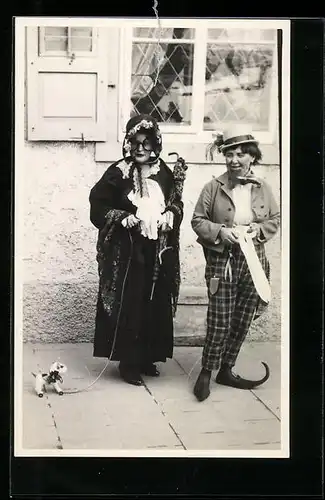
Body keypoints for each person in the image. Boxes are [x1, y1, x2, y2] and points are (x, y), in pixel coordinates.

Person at [89, 115, 184, 386]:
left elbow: (177, 203)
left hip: (157, 249)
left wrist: (171, 215)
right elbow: (97, 206)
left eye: (146, 143)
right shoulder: (118, 172)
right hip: (128, 252)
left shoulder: (164, 172)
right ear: (128, 144)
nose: (140, 148)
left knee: (153, 302)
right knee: (130, 303)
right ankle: (128, 363)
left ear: (155, 144)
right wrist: (121, 217)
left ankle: (148, 357)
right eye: (135, 143)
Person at [191, 125, 280, 402]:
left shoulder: (263, 188)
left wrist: (257, 230)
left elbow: (274, 220)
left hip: (253, 260)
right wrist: (220, 232)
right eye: (229, 154)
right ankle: (207, 370)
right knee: (220, 317)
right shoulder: (213, 188)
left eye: (240, 154)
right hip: (223, 260)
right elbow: (197, 220)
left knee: (242, 318)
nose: (234, 160)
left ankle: (226, 369)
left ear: (252, 156)